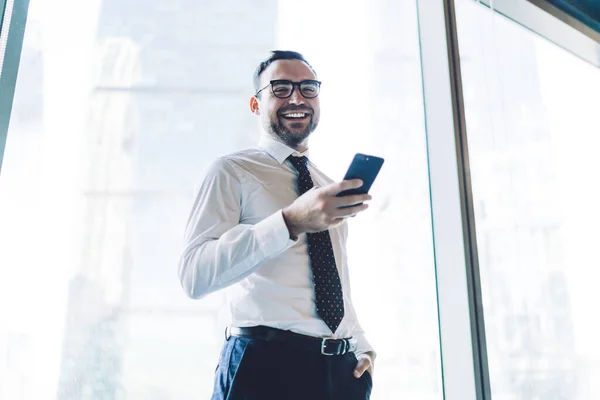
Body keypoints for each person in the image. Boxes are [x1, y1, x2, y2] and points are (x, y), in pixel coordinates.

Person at [178, 50, 375, 400]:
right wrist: (290, 220)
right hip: (265, 368)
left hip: (342, 372)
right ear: (256, 105)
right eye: (281, 88)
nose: (297, 97)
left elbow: (334, 280)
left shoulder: (324, 184)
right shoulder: (231, 170)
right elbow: (194, 276)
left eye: (307, 87)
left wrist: (360, 344)